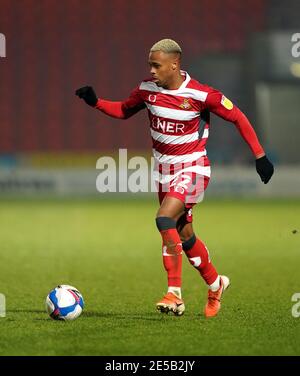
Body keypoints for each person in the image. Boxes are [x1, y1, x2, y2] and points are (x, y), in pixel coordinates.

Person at [75, 39, 274, 318]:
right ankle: (216, 284)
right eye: (150, 65)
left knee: (163, 218)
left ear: (174, 64)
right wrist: (95, 102)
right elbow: (122, 110)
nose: (152, 71)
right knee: (184, 234)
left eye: (157, 65)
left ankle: (175, 295)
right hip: (164, 173)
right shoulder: (147, 90)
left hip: (193, 168)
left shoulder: (201, 94)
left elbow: (238, 117)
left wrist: (260, 155)